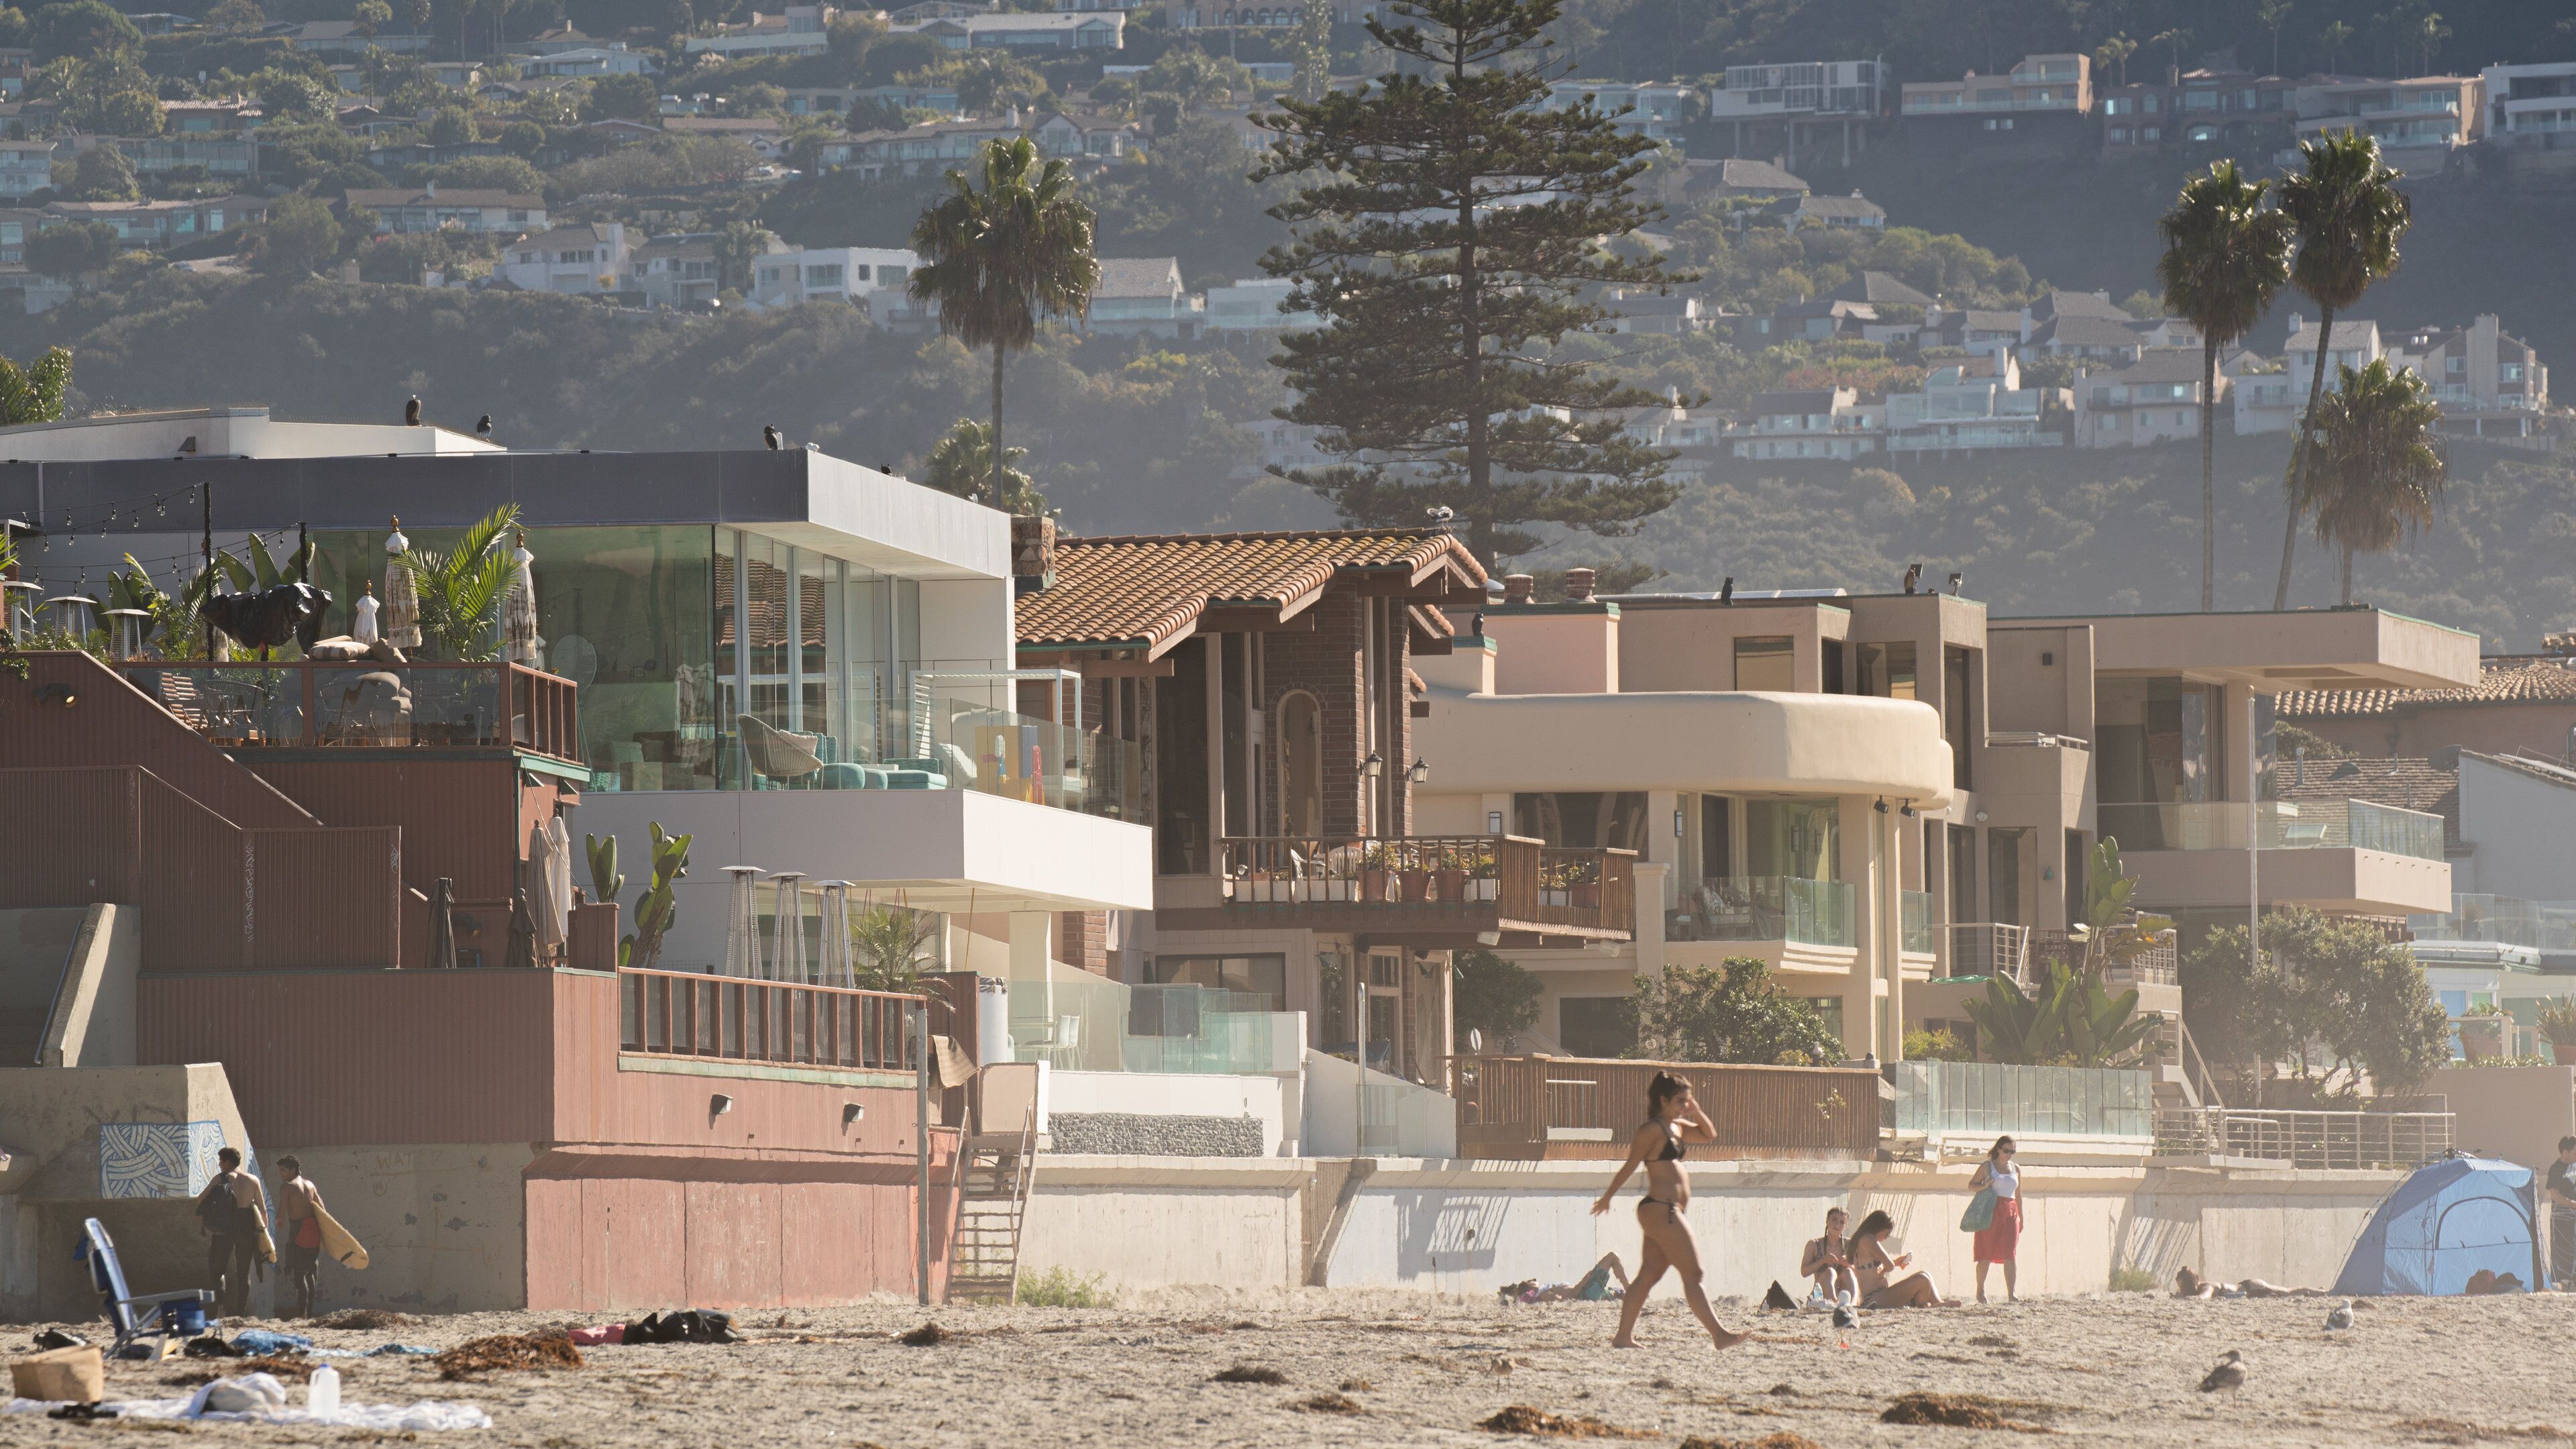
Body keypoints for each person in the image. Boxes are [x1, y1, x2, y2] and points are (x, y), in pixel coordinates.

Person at [1594, 1073, 1748, 1351]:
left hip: (1665, 1210)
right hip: (1661, 1209)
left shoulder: (1676, 1127)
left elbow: (1709, 1135)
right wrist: (1608, 1196)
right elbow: (1631, 1164)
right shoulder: (1652, 1130)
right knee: (1694, 1273)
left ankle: (1623, 1337)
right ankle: (1719, 1335)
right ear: (1663, 1100)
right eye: (1680, 1101)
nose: (1684, 1107)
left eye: (1687, 1101)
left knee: (1648, 1275)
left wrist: (1696, 1111)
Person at [195, 1147, 263, 1318]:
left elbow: (201, 1198)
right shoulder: (253, 1180)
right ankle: (241, 1314)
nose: (219, 1164)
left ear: (227, 1162)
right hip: (247, 1226)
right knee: (243, 1273)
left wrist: (211, 1215)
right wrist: (263, 1235)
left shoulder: (221, 1178)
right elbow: (262, 1210)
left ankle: (221, 1309)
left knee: (218, 1270)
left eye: (221, 1161)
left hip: (226, 1226)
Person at [1851, 1209, 1956, 1307]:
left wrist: (1896, 1262)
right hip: (1875, 1298)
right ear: (1879, 1228)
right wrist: (1893, 1264)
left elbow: (1875, 1269)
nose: (1886, 1238)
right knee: (1922, 1279)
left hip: (1878, 1296)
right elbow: (1890, 1266)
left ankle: (1938, 1303)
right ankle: (1924, 1306)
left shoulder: (1864, 1240)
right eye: (1887, 1234)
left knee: (1925, 1274)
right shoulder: (1869, 1239)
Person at [1970, 1135, 2022, 1304]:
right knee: (1986, 1252)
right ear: (1998, 1149)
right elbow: (1971, 1185)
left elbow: (2018, 1195)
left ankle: (2012, 1293)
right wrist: (1985, 1185)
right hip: (1991, 1209)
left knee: (2010, 1253)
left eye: (2012, 1151)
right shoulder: (1988, 1167)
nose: (2009, 1154)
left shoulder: (2016, 1168)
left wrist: (2021, 1217)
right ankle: (1980, 1290)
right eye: (2006, 1151)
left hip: (2011, 1211)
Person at [276, 1156, 326, 1319]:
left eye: (283, 1170)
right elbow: (322, 1209)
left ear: (293, 1170)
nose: (281, 1174)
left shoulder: (287, 1187)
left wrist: (279, 1220)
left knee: (299, 1274)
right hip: (314, 1231)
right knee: (310, 1272)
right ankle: (309, 1312)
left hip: (299, 1232)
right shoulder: (310, 1185)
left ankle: (301, 1313)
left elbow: (282, 1208)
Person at [1499, 1253, 1631, 1305]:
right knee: (1612, 1257)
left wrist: (1583, 1282)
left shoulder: (1544, 1289)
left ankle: (1626, 1292)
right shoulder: (1542, 1292)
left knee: (1615, 1294)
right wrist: (1581, 1284)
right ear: (1530, 1285)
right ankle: (1629, 1289)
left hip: (1586, 1290)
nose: (1535, 1280)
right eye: (1532, 1280)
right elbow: (1566, 1299)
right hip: (1585, 1293)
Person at [1801, 1206, 1860, 1304]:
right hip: (1821, 1297)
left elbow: (1863, 1274)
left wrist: (1850, 1264)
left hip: (1845, 1294)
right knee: (1830, 1272)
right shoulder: (1814, 1244)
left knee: (1848, 1272)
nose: (1837, 1225)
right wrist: (1822, 1261)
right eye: (1834, 1220)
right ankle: (1835, 1303)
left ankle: (1853, 1304)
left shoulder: (1850, 1245)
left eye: (1842, 1222)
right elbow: (1804, 1272)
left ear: (1845, 1226)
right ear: (1827, 1221)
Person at [2548, 1135, 2576, 1289]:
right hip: (2562, 1219)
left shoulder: (2574, 1166)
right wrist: (2573, 1205)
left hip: (2574, 1217)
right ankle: (2564, 1282)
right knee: (2564, 1250)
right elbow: (2554, 1195)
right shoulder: (2556, 1169)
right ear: (2565, 1152)